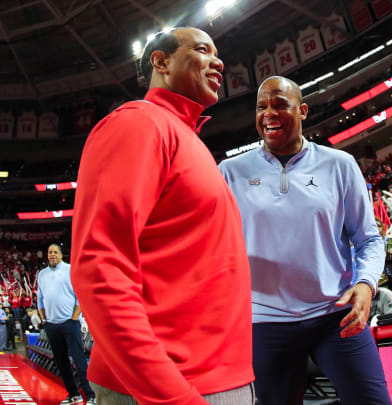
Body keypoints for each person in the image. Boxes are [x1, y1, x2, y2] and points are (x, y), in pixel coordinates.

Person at [71, 28, 254, 404]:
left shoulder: (191, 141)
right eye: (203, 50)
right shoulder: (138, 125)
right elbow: (99, 269)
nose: (218, 60)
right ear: (161, 61)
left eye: (218, 52)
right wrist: (171, 395)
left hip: (220, 377)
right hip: (173, 386)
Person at [219, 76, 390, 404]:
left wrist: (367, 285)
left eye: (280, 104)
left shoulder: (339, 165)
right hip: (264, 321)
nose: (269, 113)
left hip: (334, 313)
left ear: (303, 111)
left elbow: (368, 238)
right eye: (261, 106)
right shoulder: (229, 172)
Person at [37, 244, 94, 405]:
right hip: (51, 325)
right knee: (61, 362)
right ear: (47, 255)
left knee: (79, 360)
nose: (52, 254)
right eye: (50, 252)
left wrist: (75, 317)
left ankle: (90, 395)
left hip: (70, 323)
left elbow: (80, 294)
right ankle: (73, 394)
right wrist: (43, 320)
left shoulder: (70, 270)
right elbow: (39, 299)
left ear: (61, 255)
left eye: (55, 252)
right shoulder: (42, 274)